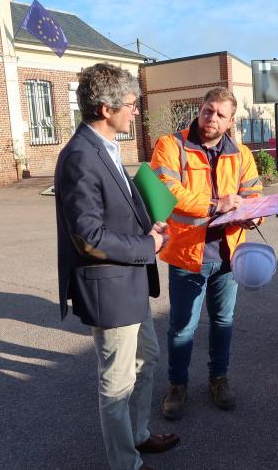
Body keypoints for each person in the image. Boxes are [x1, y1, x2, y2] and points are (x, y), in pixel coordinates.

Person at [54, 64, 179, 470]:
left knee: (147, 360)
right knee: (116, 382)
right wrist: (149, 244)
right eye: (130, 105)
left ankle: (138, 436)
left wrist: (150, 224)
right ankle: (125, 462)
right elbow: (88, 236)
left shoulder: (106, 146)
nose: (136, 112)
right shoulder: (79, 156)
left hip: (130, 283)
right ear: (106, 108)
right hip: (109, 289)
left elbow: (115, 212)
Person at [149, 87, 263, 420]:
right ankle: (177, 385)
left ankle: (218, 379)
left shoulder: (241, 154)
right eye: (207, 110)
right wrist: (215, 205)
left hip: (228, 255)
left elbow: (252, 192)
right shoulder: (171, 145)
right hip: (188, 253)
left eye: (220, 115)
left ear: (231, 121)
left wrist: (256, 211)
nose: (211, 118)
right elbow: (167, 190)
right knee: (183, 326)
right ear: (200, 109)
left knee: (223, 321)